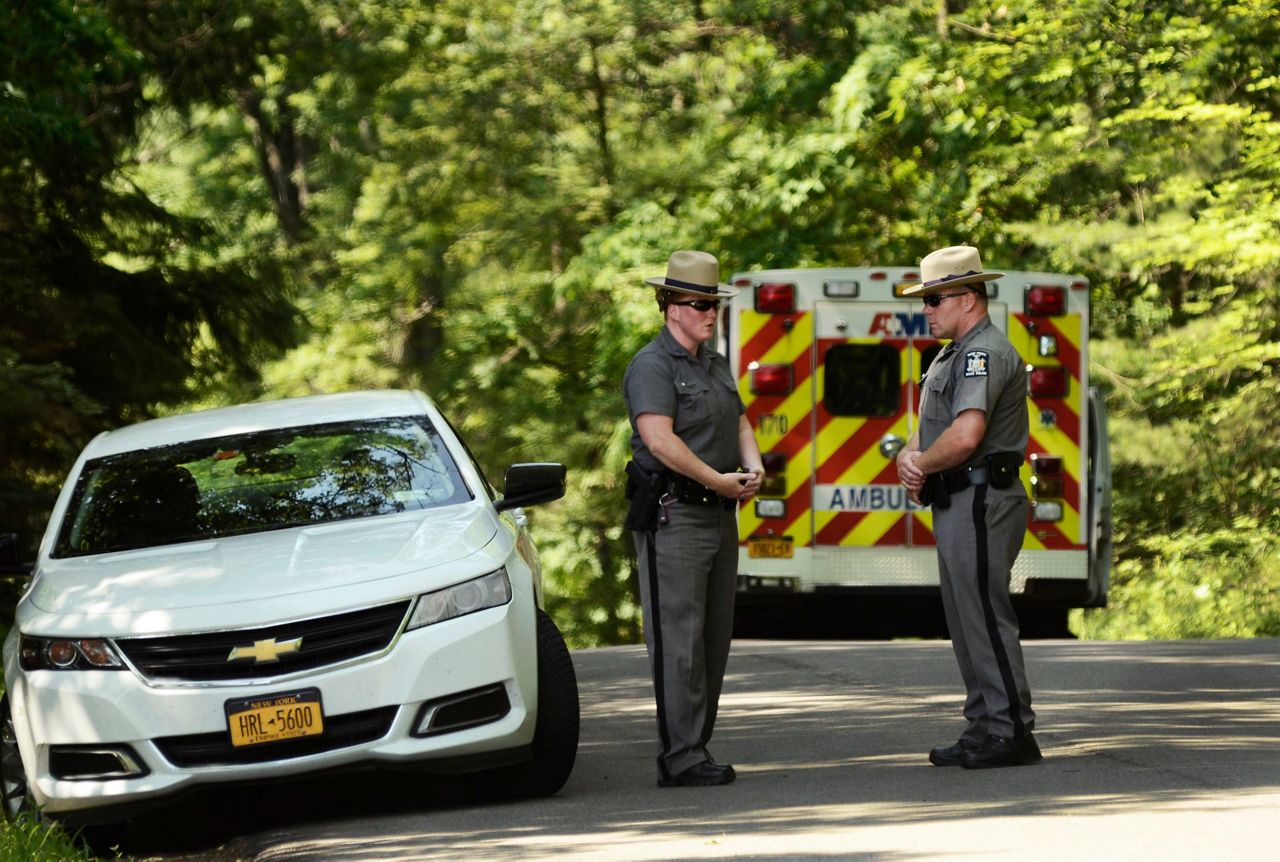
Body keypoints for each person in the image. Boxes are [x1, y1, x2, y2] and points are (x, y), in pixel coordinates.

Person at [897, 245, 1042, 770]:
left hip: (982, 497)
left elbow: (965, 436)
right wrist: (910, 455)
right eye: (925, 300)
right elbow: (934, 427)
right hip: (959, 497)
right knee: (966, 619)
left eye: (934, 299)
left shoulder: (983, 353)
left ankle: (1011, 731)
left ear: (968, 298)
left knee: (984, 614)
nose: (926, 309)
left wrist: (920, 466)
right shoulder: (951, 354)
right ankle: (984, 726)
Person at [622, 249, 763, 787]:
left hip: (720, 514)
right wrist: (716, 480)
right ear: (671, 307)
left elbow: (741, 421)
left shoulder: (714, 363)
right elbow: (659, 440)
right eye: (701, 304)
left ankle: (696, 746)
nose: (711, 313)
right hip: (675, 515)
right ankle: (679, 757)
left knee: (712, 639)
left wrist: (753, 467)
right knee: (678, 641)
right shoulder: (652, 366)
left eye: (715, 304)